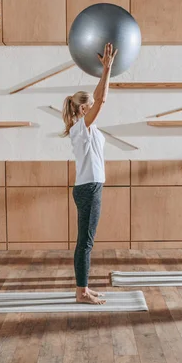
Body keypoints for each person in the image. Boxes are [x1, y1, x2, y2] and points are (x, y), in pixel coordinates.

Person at [61, 43, 117, 304]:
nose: (97, 107)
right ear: (84, 110)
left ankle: (83, 287)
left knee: (86, 241)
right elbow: (102, 98)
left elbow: (97, 96)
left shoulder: (87, 129)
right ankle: (81, 291)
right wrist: (106, 69)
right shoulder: (80, 129)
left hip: (90, 187)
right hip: (88, 188)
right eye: (91, 106)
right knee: (85, 242)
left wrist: (102, 75)